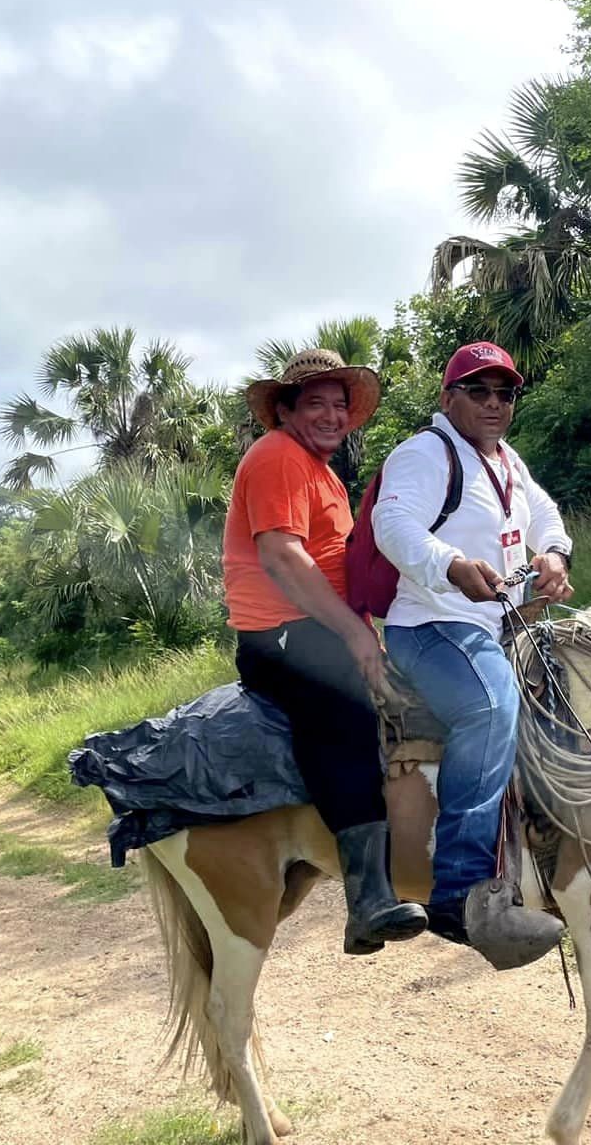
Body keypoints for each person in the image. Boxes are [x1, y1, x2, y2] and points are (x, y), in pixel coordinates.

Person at [371, 341, 573, 968]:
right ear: (447, 397)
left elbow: (542, 513)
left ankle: (563, 857)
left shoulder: (506, 460)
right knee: (489, 707)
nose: (493, 403)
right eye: (478, 391)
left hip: (493, 623)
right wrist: (450, 564)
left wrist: (554, 555)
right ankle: (459, 893)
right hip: (434, 625)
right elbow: (392, 523)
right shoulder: (425, 455)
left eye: (505, 393)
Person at [226, 348, 427, 955]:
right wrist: (354, 634)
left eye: (340, 405)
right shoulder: (277, 458)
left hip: (319, 625)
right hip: (283, 633)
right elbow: (284, 558)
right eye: (315, 402)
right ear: (284, 409)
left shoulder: (323, 472)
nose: (332, 415)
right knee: (345, 715)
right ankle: (367, 898)